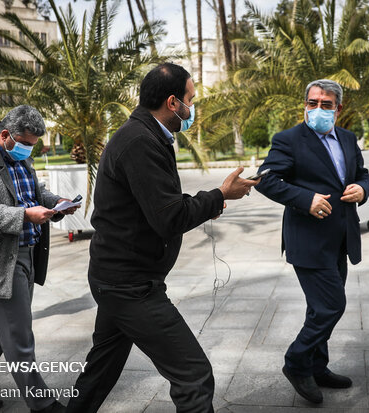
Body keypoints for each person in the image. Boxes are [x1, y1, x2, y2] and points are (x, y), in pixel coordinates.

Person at [67, 63, 258, 413]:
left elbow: (156, 206)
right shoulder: (139, 141)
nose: (193, 108)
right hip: (129, 286)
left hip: (118, 278)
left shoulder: (147, 134)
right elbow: (168, 218)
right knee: (193, 375)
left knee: (100, 371)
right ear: (173, 103)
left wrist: (208, 204)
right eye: (191, 99)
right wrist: (219, 194)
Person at [0, 105, 79, 412]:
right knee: (19, 335)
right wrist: (23, 215)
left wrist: (57, 203)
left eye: (33, 144)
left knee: (5, 324)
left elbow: (33, 193)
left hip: (27, 253)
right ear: (5, 134)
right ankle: (42, 403)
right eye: (26, 143)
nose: (29, 150)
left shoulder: (19, 156)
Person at [255, 79, 369, 404]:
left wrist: (362, 189)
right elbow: (265, 179)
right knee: (331, 306)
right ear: (304, 104)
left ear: (339, 108)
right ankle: (296, 363)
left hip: (341, 238)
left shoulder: (348, 138)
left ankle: (317, 367)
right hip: (308, 240)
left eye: (326, 104)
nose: (318, 109)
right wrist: (305, 199)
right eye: (312, 103)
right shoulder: (288, 139)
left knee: (318, 308)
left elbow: (362, 173)